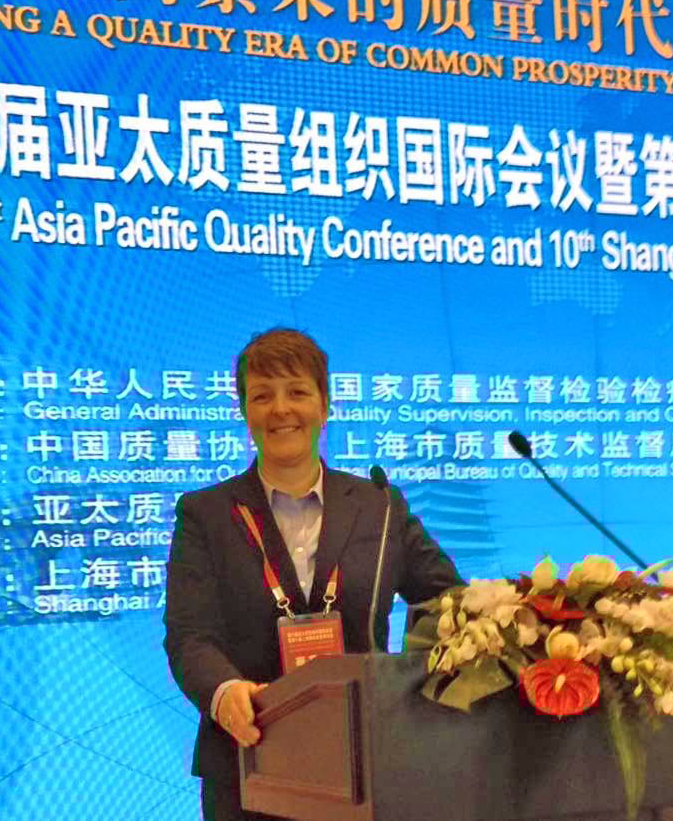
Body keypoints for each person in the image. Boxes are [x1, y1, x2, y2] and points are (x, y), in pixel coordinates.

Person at [164, 328, 462, 821]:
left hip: (367, 761)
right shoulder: (205, 514)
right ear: (244, 412)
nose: (281, 409)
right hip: (248, 761)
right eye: (262, 395)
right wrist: (223, 693)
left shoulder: (379, 506)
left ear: (325, 405)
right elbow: (189, 636)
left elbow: (448, 601)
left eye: (298, 392)